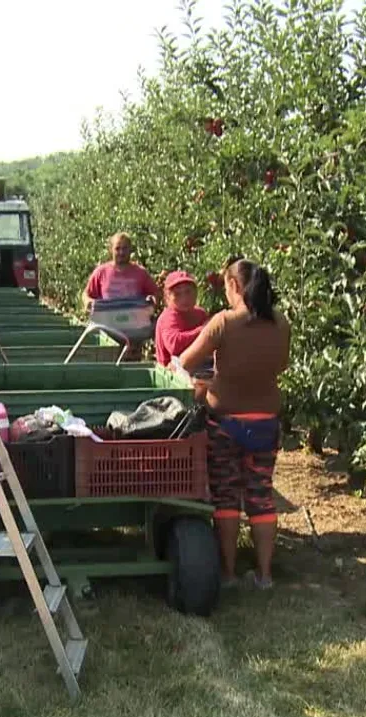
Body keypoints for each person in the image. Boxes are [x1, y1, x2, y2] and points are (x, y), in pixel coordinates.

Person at [177, 258, 291, 590]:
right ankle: (264, 575)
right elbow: (279, 366)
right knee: (260, 496)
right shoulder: (281, 323)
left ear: (235, 287)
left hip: (225, 422)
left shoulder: (223, 322)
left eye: (227, 287)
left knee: (226, 497)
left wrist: (210, 383)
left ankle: (227, 574)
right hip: (266, 421)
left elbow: (185, 362)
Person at [84, 232, 161, 359]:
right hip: (109, 330)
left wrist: (153, 299)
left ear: (130, 250)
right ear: (111, 250)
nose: (121, 252)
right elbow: (87, 294)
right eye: (117, 248)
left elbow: (155, 293)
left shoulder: (140, 273)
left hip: (134, 331)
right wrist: (88, 302)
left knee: (131, 366)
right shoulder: (101, 272)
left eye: (125, 248)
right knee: (109, 362)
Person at [154, 270, 209, 368]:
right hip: (172, 376)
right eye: (177, 294)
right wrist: (203, 330)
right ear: (168, 297)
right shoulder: (169, 317)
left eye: (188, 292)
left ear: (196, 293)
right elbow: (174, 345)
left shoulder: (200, 314)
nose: (184, 298)